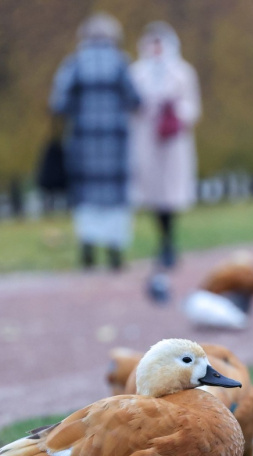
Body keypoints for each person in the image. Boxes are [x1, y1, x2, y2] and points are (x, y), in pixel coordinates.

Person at [49, 13, 141, 271]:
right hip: (115, 139)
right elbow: (135, 99)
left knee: (86, 195)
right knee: (115, 196)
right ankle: (114, 250)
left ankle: (87, 246)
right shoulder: (121, 62)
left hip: (83, 139)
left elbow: (58, 102)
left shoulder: (74, 63)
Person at [130, 21, 201, 269]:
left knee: (172, 192)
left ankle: (169, 241)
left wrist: (175, 112)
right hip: (147, 139)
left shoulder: (183, 72)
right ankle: (163, 241)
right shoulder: (136, 73)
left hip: (172, 140)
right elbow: (131, 106)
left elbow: (193, 106)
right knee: (152, 192)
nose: (156, 49)